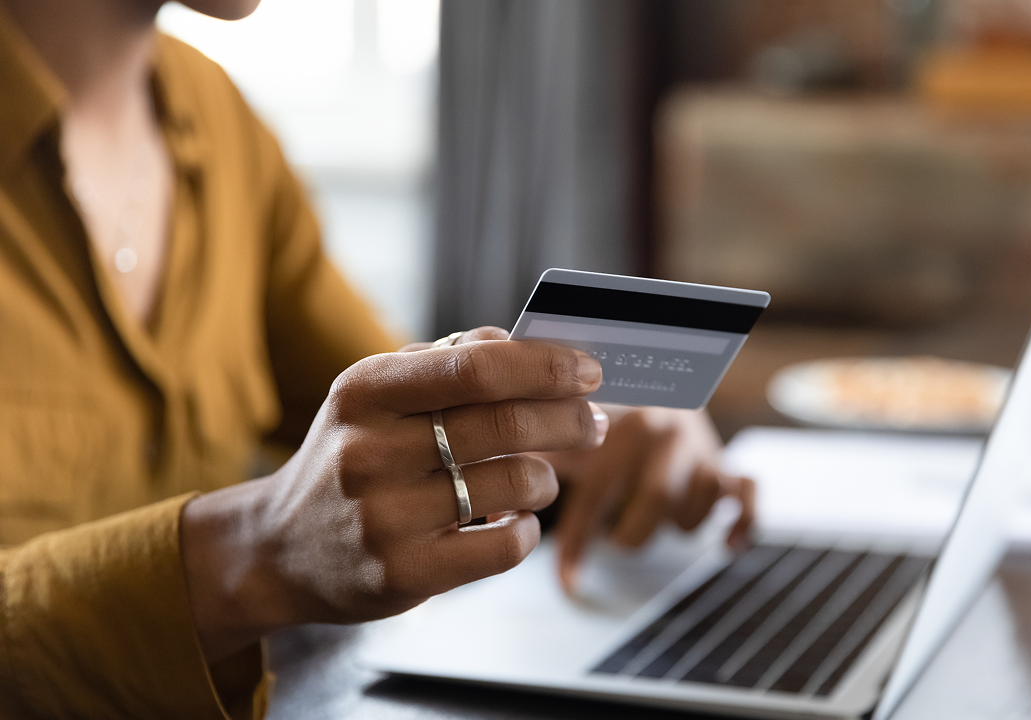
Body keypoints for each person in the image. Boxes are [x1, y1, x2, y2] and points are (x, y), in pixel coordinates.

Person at [0, 0, 754, 718]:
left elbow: (389, 418)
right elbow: (318, 499)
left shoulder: (216, 120)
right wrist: (249, 555)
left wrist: (602, 426)